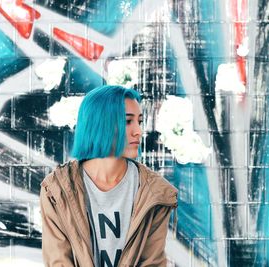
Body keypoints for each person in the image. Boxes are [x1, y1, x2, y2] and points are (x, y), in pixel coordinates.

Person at [40, 85, 178, 267]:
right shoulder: (57, 190)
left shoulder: (155, 193)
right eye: (128, 121)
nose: (138, 131)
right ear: (100, 124)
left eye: (140, 121)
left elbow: (152, 262)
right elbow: (59, 262)